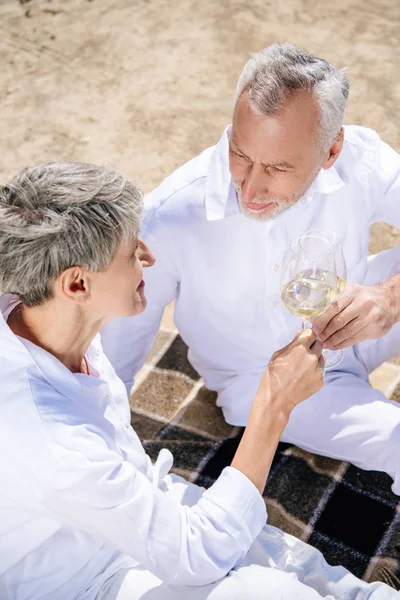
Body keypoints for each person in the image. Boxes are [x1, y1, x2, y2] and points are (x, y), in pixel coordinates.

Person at [0, 162, 396, 600]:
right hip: (86, 580)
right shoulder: (51, 438)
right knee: (265, 593)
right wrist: (273, 404)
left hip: (134, 504)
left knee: (299, 565)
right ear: (77, 284)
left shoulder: (41, 312)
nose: (150, 257)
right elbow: (196, 556)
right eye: (132, 252)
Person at [101, 43, 400, 494]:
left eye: (279, 167)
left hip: (356, 325)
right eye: (240, 154)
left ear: (332, 150)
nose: (251, 189)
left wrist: (389, 298)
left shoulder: (362, 157)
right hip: (261, 381)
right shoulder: (171, 214)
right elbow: (114, 359)